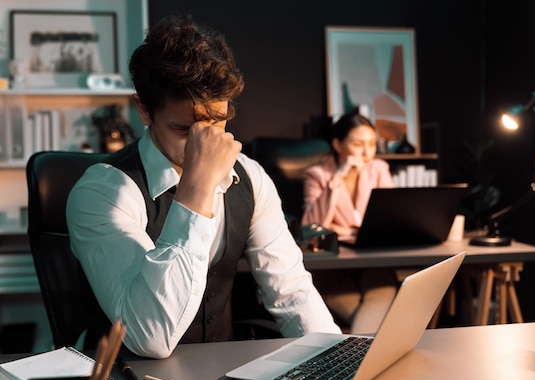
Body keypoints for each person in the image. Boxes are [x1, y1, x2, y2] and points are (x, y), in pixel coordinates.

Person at [66, 14, 341, 359]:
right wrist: (197, 186)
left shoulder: (251, 178)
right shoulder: (101, 192)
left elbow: (291, 291)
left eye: (218, 122)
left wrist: (336, 360)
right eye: (185, 129)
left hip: (218, 377)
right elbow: (150, 337)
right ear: (144, 111)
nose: (206, 142)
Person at [301, 110, 400, 334]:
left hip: (369, 261)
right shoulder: (317, 174)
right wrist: (336, 181)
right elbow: (311, 227)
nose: (367, 153)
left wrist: (341, 229)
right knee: (379, 316)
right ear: (338, 145)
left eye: (372, 144)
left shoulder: (378, 169)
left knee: (381, 291)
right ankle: (367, 358)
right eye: (358, 144)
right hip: (331, 267)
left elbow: (389, 219)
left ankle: (358, 358)